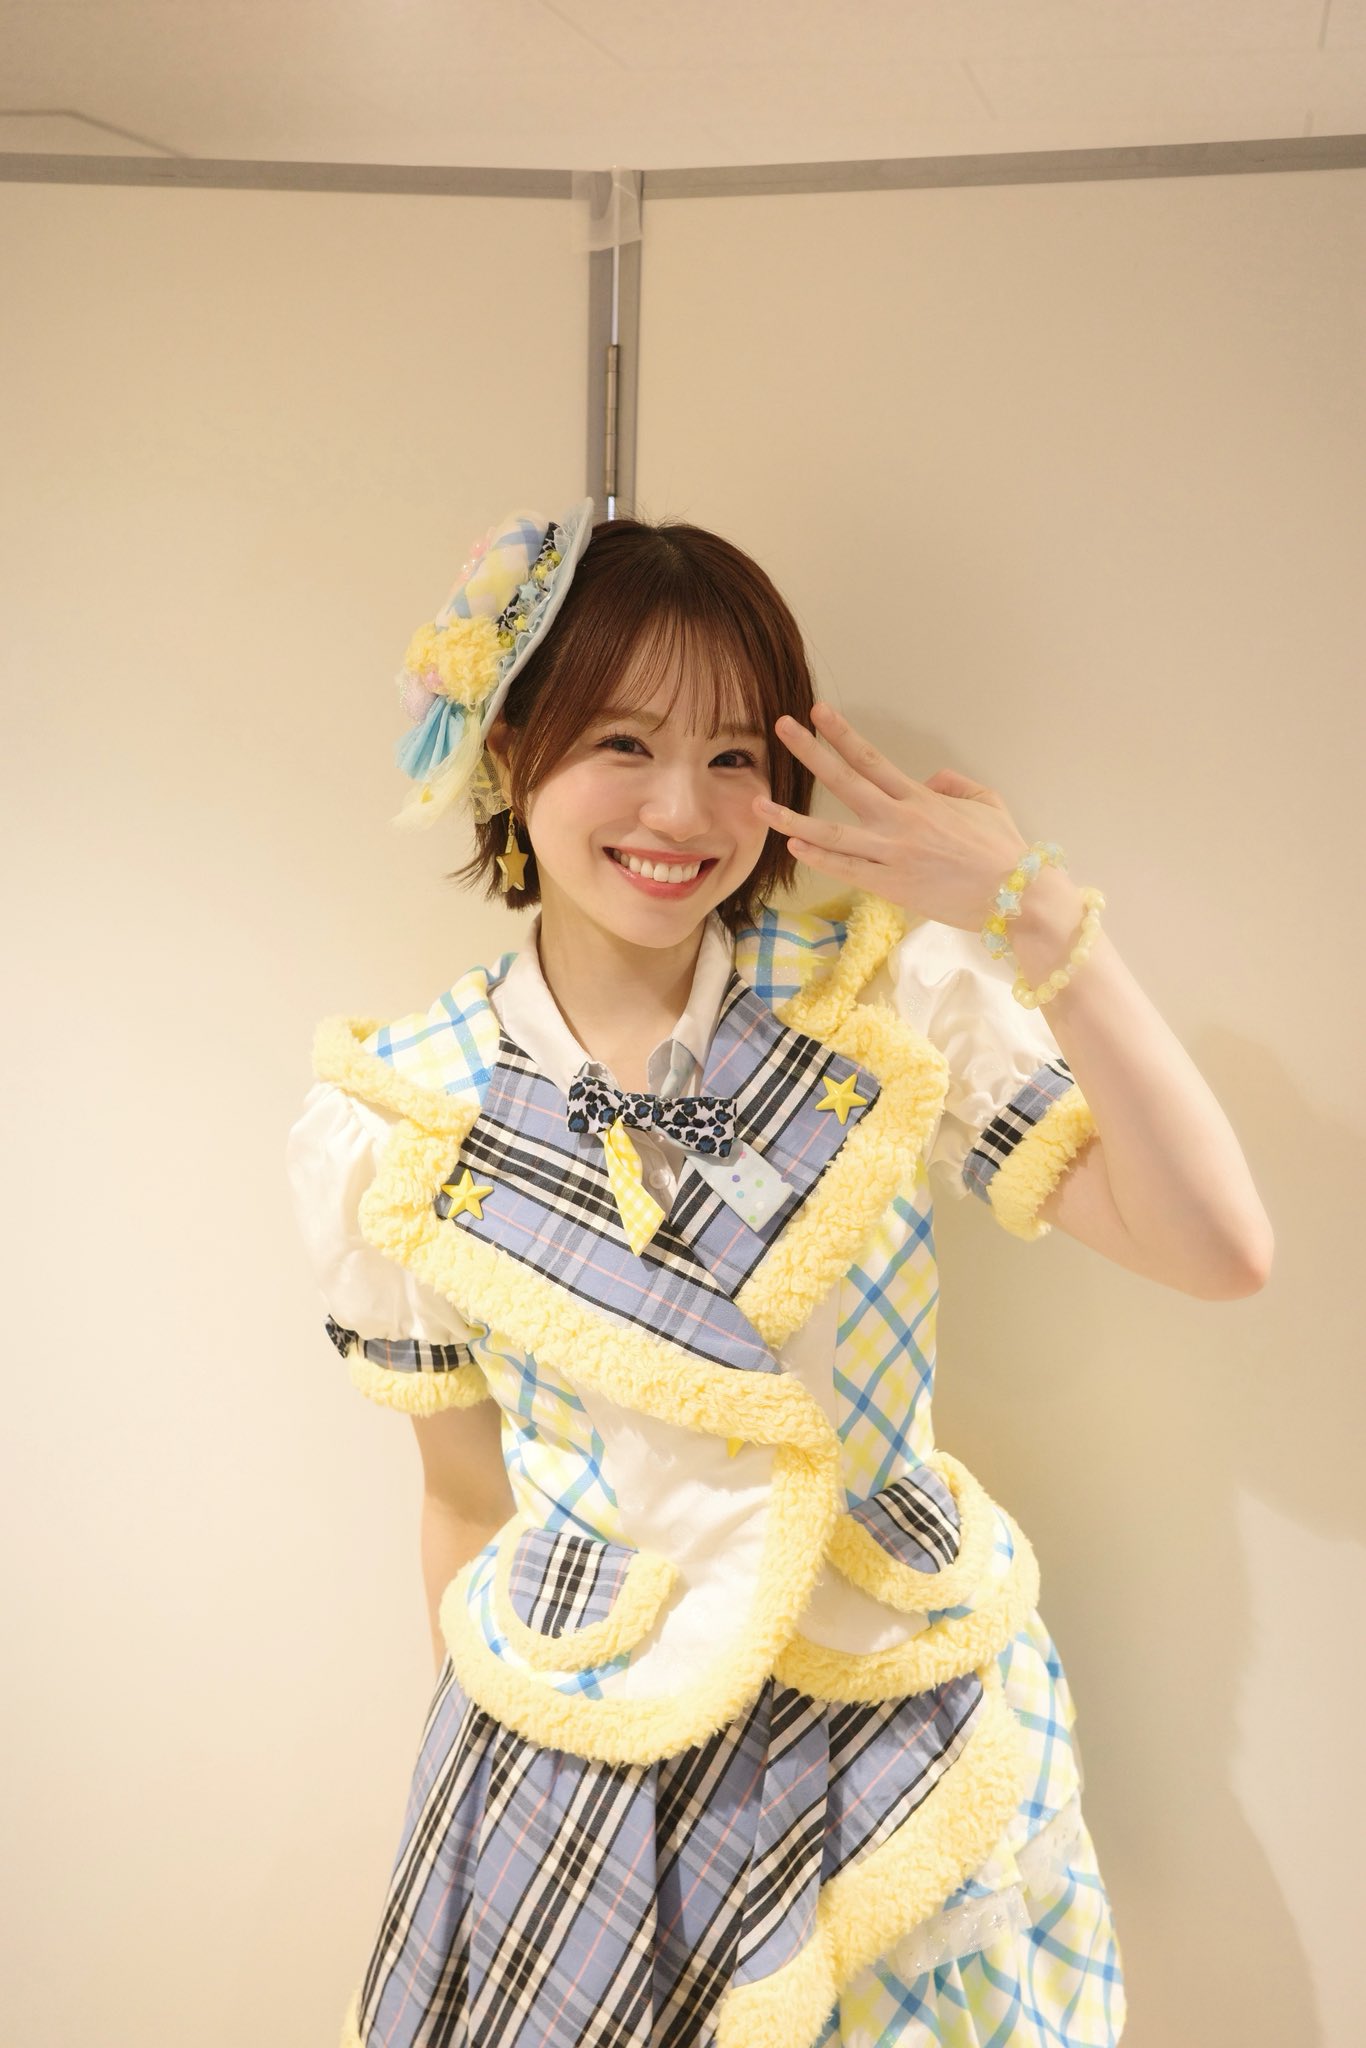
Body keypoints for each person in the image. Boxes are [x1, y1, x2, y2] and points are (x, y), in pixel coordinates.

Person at [286, 500, 1272, 2048]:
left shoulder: (882, 1008)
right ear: (511, 754)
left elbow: (1216, 1248)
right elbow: (463, 1502)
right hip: (583, 1774)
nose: (680, 808)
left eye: (734, 755)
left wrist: (1034, 910)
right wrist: (495, 1808)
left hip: (888, 1727)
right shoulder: (404, 1114)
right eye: (622, 742)